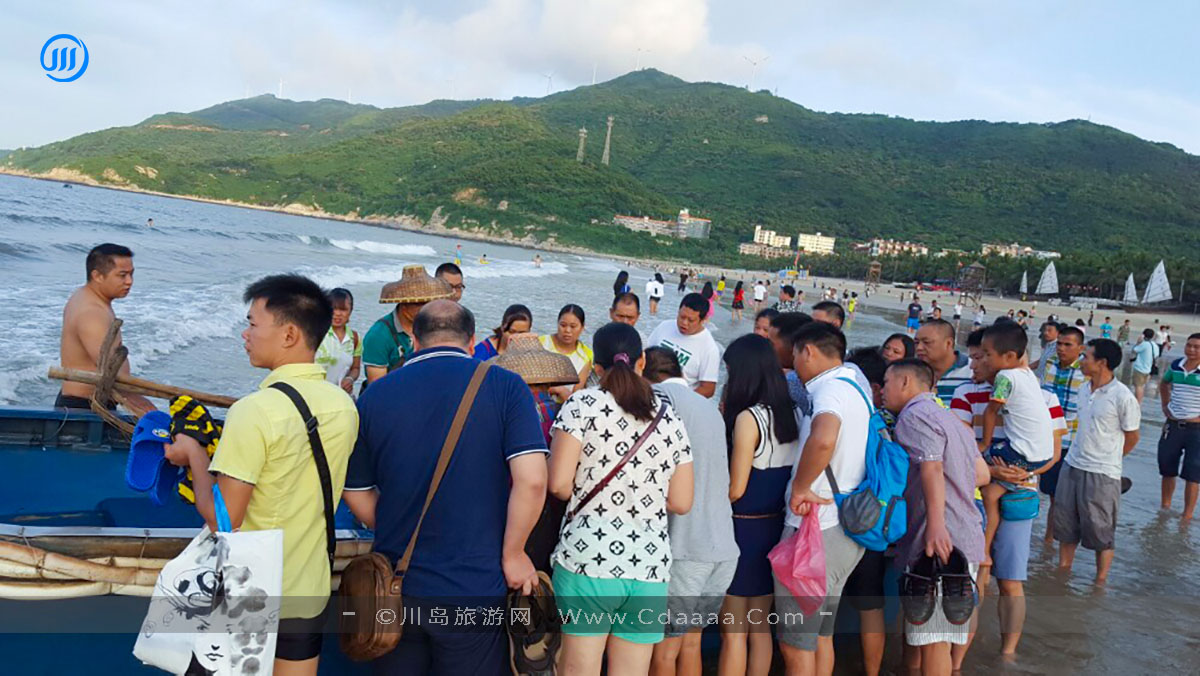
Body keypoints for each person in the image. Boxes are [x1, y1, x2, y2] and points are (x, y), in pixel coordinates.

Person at [164, 274, 358, 675]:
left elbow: (223, 520)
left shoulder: (254, 411)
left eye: (253, 323)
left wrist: (194, 454)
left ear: (289, 334)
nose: (245, 334)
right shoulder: (344, 406)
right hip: (308, 588)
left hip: (249, 593)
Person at [343, 300, 547, 675]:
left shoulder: (374, 396)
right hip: (473, 585)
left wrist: (396, 525)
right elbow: (532, 480)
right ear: (471, 342)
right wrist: (514, 553)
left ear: (414, 341)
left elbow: (355, 490)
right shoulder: (506, 387)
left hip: (395, 584)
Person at [549, 323, 695, 675]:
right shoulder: (669, 416)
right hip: (649, 565)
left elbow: (558, 485)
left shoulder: (581, 404)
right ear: (642, 361)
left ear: (597, 367)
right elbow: (681, 501)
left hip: (588, 559)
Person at [948, 329, 1067, 665]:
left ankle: (1007, 653)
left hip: (1020, 490)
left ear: (1005, 358)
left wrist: (1025, 473)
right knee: (976, 574)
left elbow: (1054, 453)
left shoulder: (1046, 397)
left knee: (1011, 581)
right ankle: (957, 661)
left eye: (982, 357)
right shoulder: (965, 394)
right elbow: (958, 448)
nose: (976, 364)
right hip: (977, 490)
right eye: (975, 357)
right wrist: (993, 471)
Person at [883, 359, 988, 676]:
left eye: (886, 383)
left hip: (940, 540)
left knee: (934, 640)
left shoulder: (913, 416)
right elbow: (981, 474)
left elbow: (932, 467)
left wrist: (936, 525)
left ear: (905, 382)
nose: (883, 390)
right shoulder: (951, 418)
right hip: (964, 532)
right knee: (929, 633)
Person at [778, 322, 868, 675]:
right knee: (820, 636)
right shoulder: (856, 387)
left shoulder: (829, 390)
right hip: (844, 526)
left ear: (809, 351)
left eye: (795, 355)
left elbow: (824, 439)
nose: (795, 366)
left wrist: (800, 487)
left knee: (796, 642)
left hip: (816, 530)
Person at [644, 348, 738, 676]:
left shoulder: (660, 399)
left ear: (643, 370)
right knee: (690, 644)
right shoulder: (709, 408)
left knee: (664, 652)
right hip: (722, 549)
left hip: (686, 550)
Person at [720, 334, 799, 676]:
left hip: (743, 530)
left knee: (733, 630)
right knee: (760, 624)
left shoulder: (748, 419)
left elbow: (735, 489)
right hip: (775, 528)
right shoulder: (793, 412)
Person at [1054, 339, 1141, 583]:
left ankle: (1100, 582)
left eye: (1086, 357)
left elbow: (1133, 436)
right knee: (1066, 526)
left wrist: (1110, 459)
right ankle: (1062, 573)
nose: (1081, 361)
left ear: (1101, 362)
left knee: (1101, 531)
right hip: (1072, 464)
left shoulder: (1123, 397)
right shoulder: (1084, 388)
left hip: (1102, 472)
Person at [978, 322, 1055, 557]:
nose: (984, 360)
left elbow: (991, 412)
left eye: (987, 355)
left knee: (978, 461)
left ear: (1009, 356)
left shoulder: (1005, 377)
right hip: (1042, 456)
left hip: (1021, 453)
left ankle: (984, 546)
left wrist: (984, 444)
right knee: (991, 493)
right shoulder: (1027, 374)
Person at [57, 243, 155, 414]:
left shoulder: (85, 296)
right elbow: (110, 369)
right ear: (97, 276)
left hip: (84, 402)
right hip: (84, 408)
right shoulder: (92, 313)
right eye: (122, 275)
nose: (129, 281)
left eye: (131, 274)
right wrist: (138, 403)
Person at [843, 347, 891, 676]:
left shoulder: (844, 413)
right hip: (873, 522)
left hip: (838, 517)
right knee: (871, 605)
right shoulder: (883, 423)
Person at [1035, 326, 1088, 541]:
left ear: (1080, 348)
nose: (1061, 348)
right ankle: (1048, 541)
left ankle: (1056, 540)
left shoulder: (1086, 370)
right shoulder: (1049, 363)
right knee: (1050, 493)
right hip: (1047, 438)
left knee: (1064, 497)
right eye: (1059, 344)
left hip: (1071, 441)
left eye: (1068, 345)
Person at [362, 265, 453, 385]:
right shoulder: (379, 335)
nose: (427, 308)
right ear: (404, 305)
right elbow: (377, 385)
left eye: (429, 302)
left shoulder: (432, 327)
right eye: (420, 303)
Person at [1157, 332, 1200, 521]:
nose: (1191, 349)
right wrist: (1165, 405)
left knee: (1193, 473)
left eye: (1197, 347)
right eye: (1189, 345)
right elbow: (1164, 383)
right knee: (1167, 467)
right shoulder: (1176, 366)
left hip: (1196, 430)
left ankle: (1187, 516)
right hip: (1173, 425)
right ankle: (1164, 508)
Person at [648, 294, 722, 398]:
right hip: (648, 391)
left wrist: (681, 399)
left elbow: (708, 388)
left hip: (676, 400)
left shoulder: (709, 348)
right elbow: (645, 355)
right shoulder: (664, 326)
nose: (684, 323)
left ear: (703, 319)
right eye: (682, 317)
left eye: (691, 320)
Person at [540, 304, 593, 401]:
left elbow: (576, 394)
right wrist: (558, 389)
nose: (567, 330)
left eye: (573, 326)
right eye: (563, 325)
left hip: (565, 405)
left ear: (582, 327)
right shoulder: (541, 344)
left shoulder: (586, 355)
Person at [315, 287, 361, 393]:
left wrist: (350, 379)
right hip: (316, 394)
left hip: (341, 395)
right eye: (333, 309)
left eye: (343, 309)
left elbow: (355, 368)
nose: (338, 313)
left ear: (350, 311)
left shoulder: (354, 338)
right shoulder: (317, 333)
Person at [915, 319, 972, 406]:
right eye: (916, 342)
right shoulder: (912, 372)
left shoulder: (973, 372)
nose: (919, 347)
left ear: (948, 343)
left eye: (926, 342)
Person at [1131, 329, 1160, 405]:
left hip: (1140, 368)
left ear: (1144, 335)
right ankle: (1139, 401)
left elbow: (1134, 350)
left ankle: (1138, 403)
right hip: (1148, 369)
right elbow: (1156, 356)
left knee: (1138, 386)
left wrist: (1138, 342)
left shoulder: (1144, 344)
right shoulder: (1155, 345)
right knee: (1142, 386)